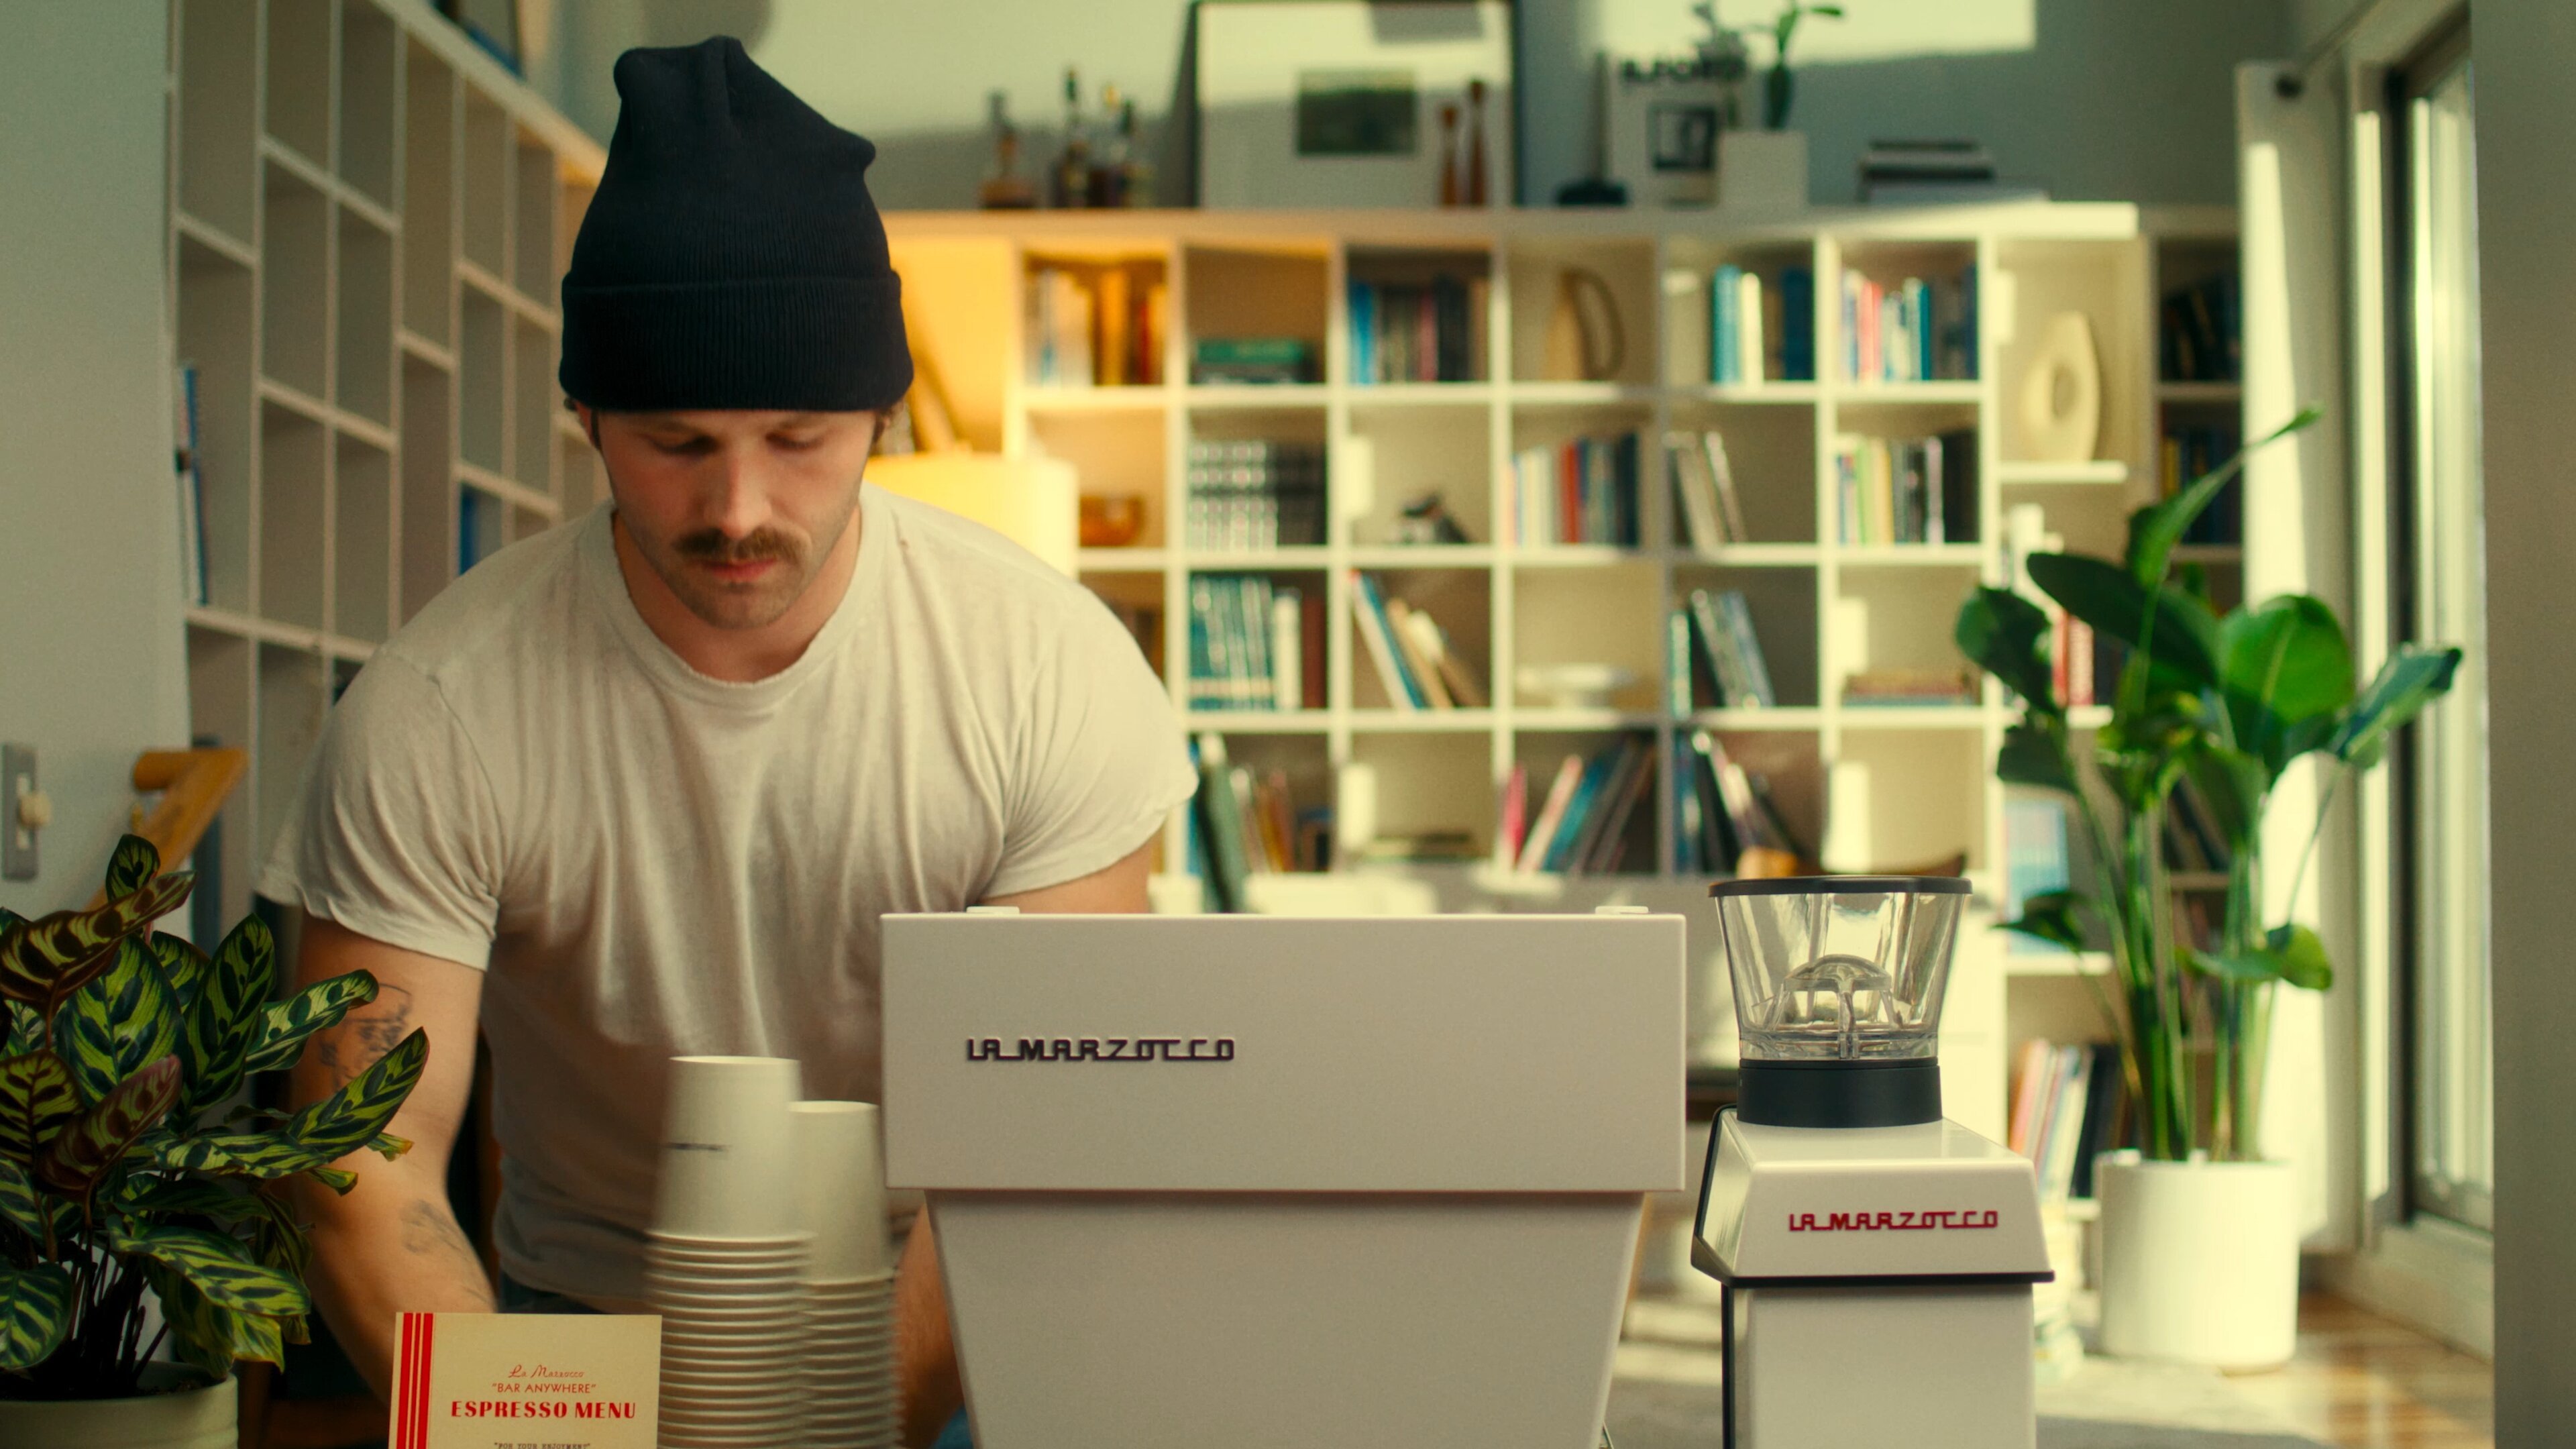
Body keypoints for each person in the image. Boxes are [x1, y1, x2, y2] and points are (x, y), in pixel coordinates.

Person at [262, 36, 1193, 1448]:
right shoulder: (439, 708)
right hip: (581, 1329)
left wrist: (845, 1424)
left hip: (960, 1307)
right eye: (676, 442)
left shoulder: (1044, 671)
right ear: (586, 414)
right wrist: (519, 1429)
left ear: (882, 414)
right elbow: (363, 1174)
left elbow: (1034, 1147)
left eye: (799, 437)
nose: (741, 506)